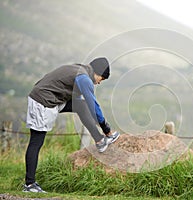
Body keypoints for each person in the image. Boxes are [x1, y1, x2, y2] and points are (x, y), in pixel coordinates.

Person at [23, 57, 120, 193]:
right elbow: (94, 106)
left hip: (51, 98)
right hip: (43, 101)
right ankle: (30, 184)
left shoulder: (80, 70)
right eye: (101, 79)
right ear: (97, 73)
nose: (99, 83)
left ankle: (99, 140)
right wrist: (107, 129)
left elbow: (81, 102)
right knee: (36, 141)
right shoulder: (85, 78)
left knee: (81, 105)